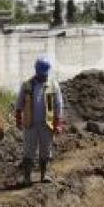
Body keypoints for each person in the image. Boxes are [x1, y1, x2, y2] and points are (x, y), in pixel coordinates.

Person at [14, 56, 64, 186]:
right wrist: (18, 120)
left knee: (45, 150)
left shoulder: (52, 85)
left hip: (46, 124)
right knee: (28, 151)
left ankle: (44, 174)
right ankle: (27, 177)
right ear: (36, 71)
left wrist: (57, 124)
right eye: (41, 74)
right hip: (30, 124)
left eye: (45, 74)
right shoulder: (27, 85)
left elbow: (58, 105)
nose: (43, 77)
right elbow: (19, 104)